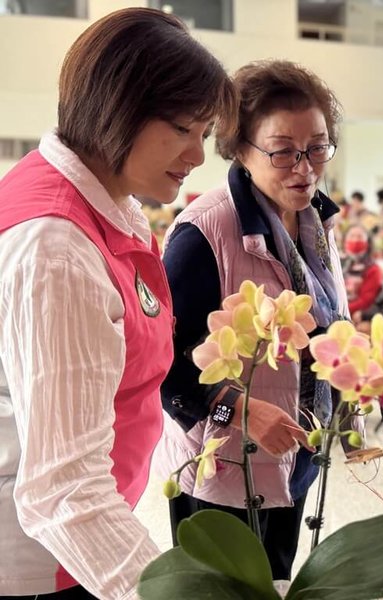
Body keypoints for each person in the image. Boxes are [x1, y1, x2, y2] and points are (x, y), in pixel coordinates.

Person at [0, 8, 235, 598]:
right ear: (117, 108)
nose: (198, 154)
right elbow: (63, 490)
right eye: (184, 128)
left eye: (204, 134)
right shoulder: (56, 247)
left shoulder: (113, 208)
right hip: (45, 558)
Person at [154, 59, 350, 581]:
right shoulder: (204, 234)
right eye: (283, 151)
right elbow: (165, 372)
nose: (304, 167)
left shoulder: (316, 222)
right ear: (240, 148)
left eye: (317, 147)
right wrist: (238, 413)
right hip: (222, 473)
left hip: (292, 461)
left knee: (278, 584)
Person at [342, 224, 383, 330]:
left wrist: (342, 311)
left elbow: (366, 301)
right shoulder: (339, 264)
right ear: (344, 241)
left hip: (356, 315)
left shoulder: (373, 269)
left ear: (368, 243)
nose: (355, 240)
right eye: (352, 236)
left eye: (359, 237)